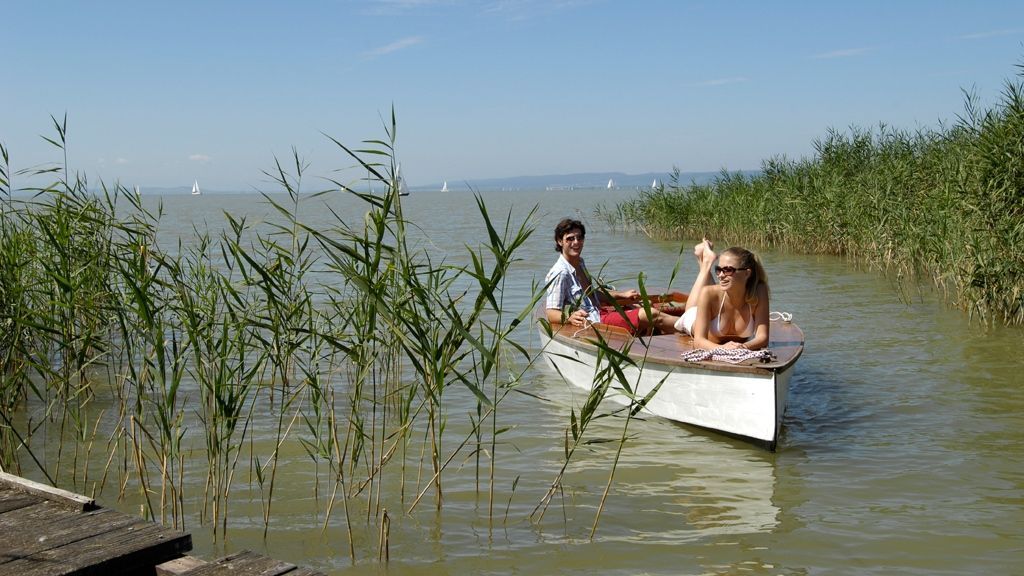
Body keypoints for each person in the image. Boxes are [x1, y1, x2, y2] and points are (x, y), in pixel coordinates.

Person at [544, 218, 681, 335]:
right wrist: (569, 317)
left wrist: (622, 295)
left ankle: (682, 331)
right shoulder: (560, 273)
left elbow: (592, 294)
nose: (576, 242)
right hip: (595, 323)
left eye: (579, 238)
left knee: (646, 305)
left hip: (599, 312)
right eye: (570, 239)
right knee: (649, 313)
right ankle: (692, 328)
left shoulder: (579, 263)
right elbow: (551, 312)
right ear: (560, 241)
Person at [674, 239, 770, 350]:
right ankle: (706, 263)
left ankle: (705, 258)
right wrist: (724, 349)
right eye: (718, 269)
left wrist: (742, 347)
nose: (720, 275)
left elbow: (763, 337)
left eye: (728, 270)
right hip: (694, 316)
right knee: (688, 309)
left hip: (718, 303)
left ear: (747, 273)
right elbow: (698, 342)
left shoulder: (759, 290)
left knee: (719, 287)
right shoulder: (707, 293)